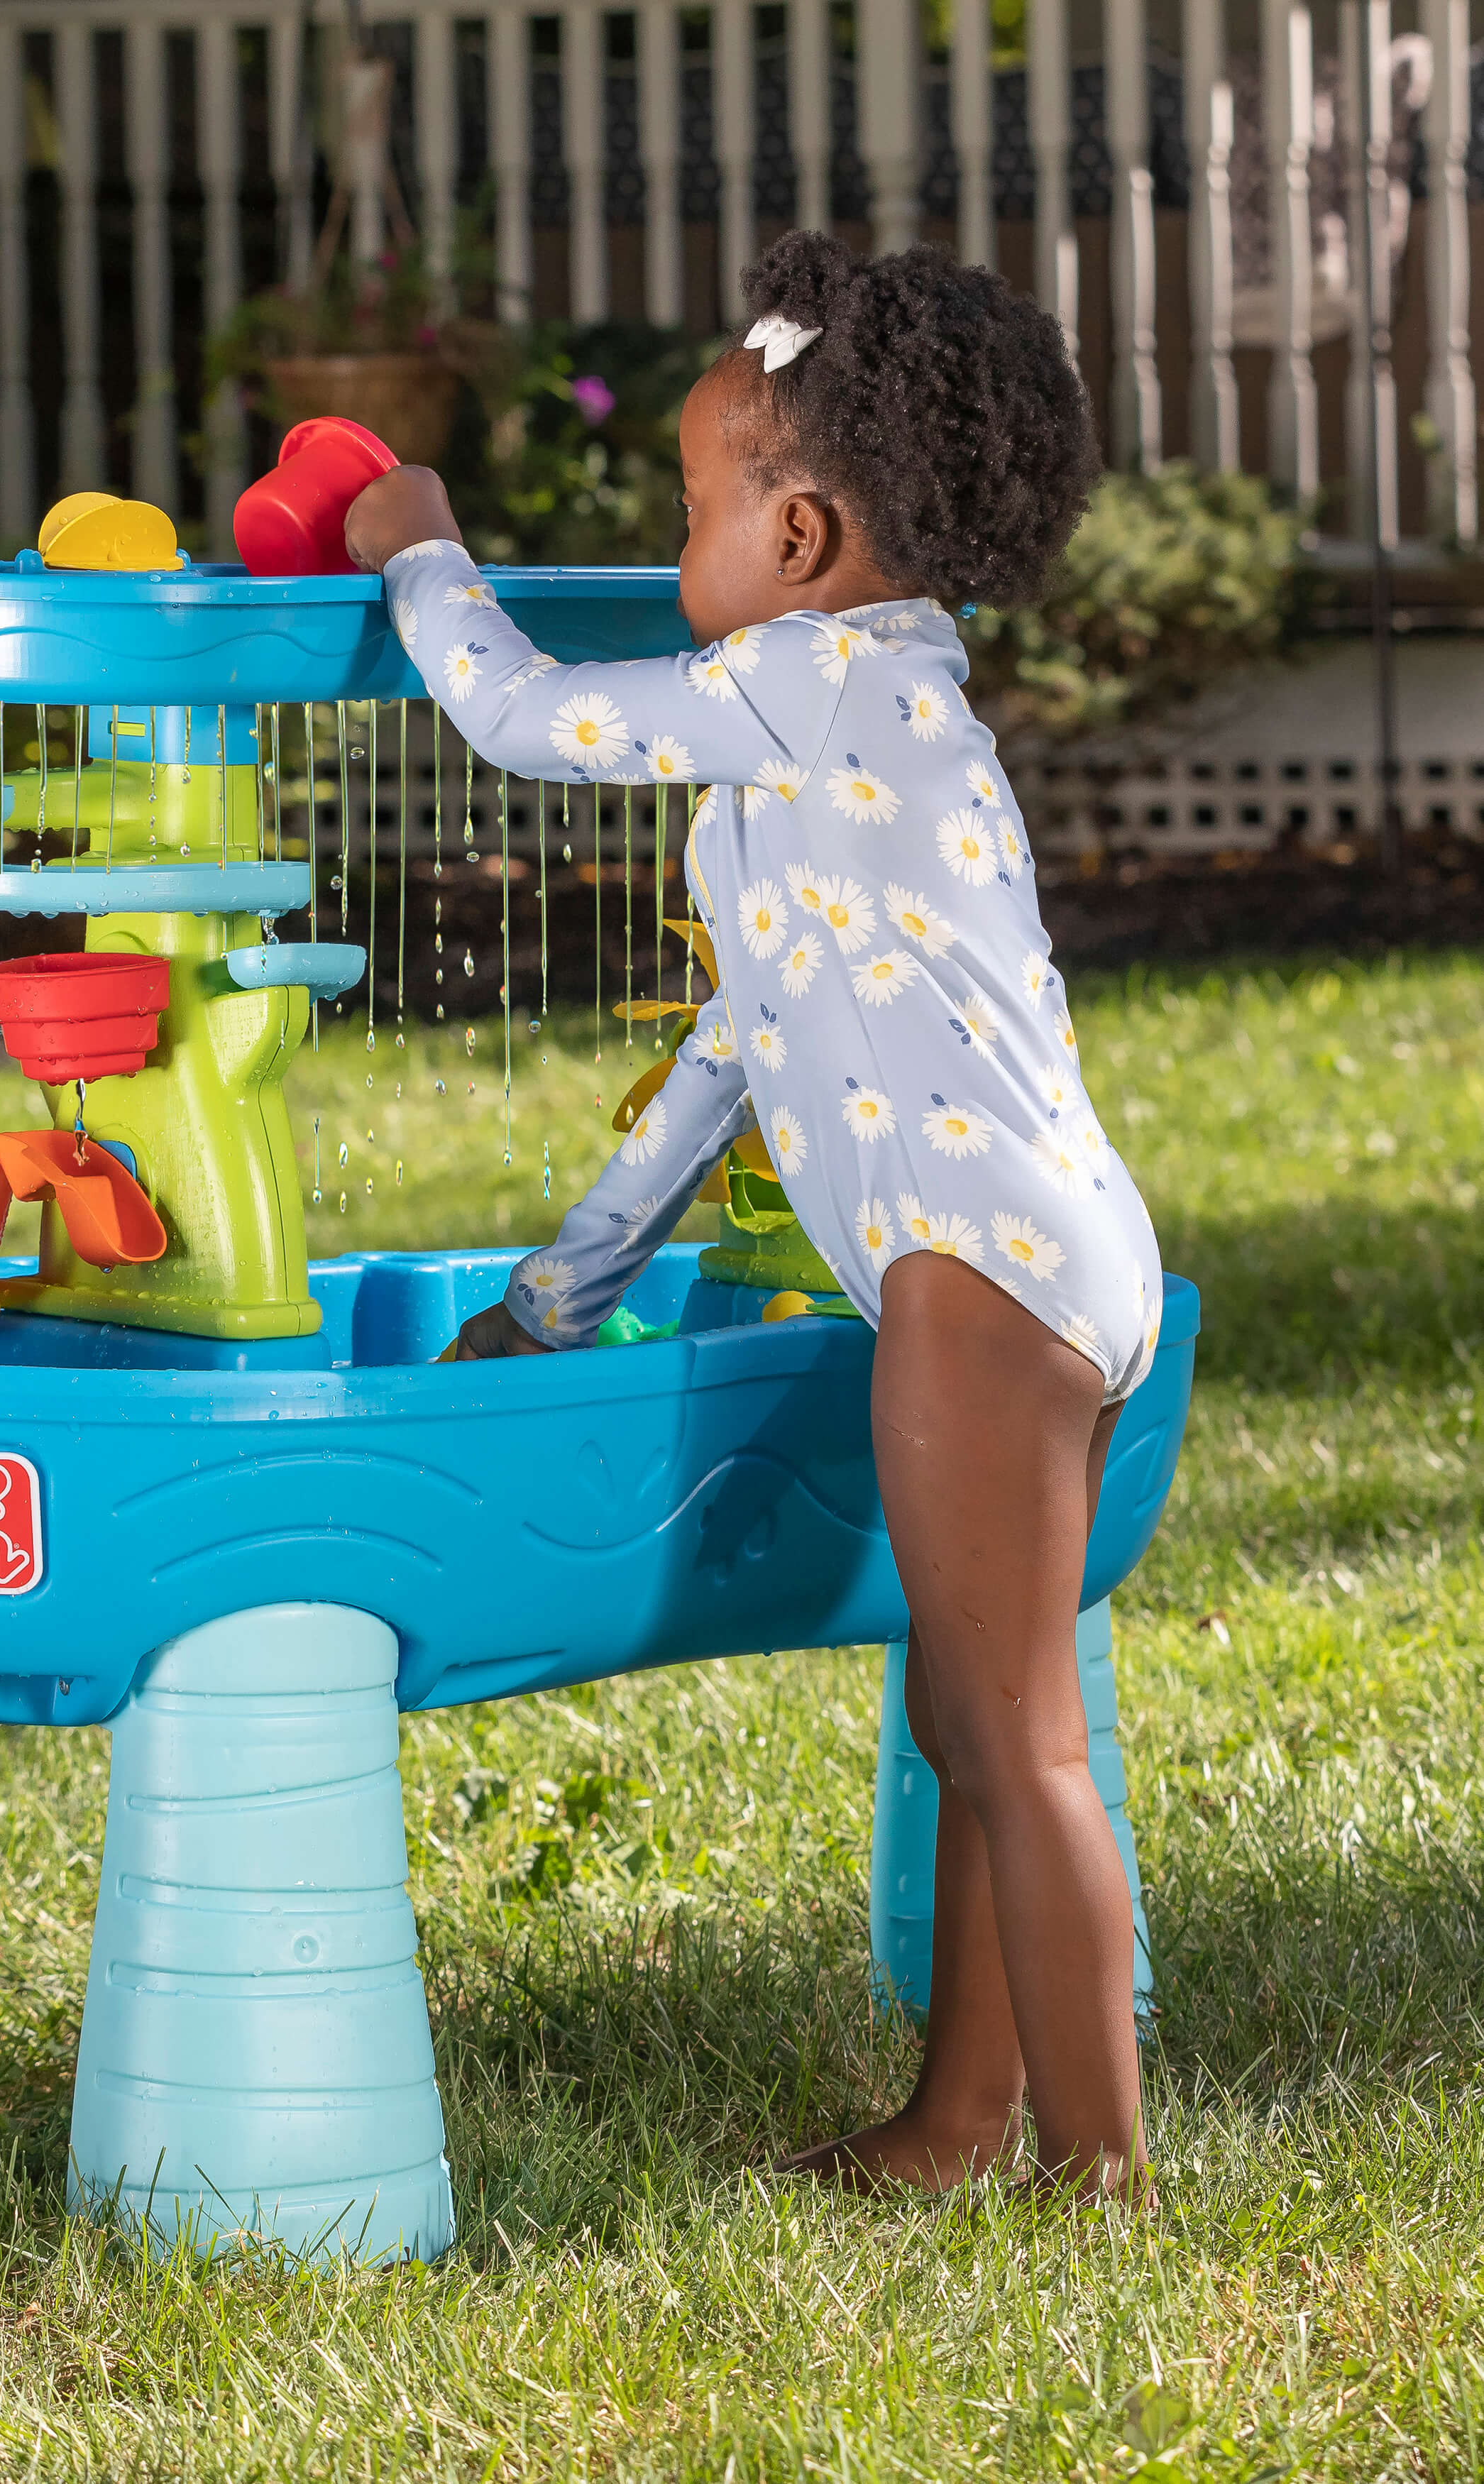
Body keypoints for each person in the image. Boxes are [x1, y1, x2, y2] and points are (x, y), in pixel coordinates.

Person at [346, 231, 1161, 2201]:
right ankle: (964, 2120)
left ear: (797, 538)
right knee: (973, 1731)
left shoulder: (806, 683)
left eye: (691, 504)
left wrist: (416, 544)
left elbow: (520, 718)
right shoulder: (861, 723)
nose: (681, 542)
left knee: (1017, 1741)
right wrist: (554, 1300)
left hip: (978, 1281)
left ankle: (1105, 2172)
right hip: (1043, 1256)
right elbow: (723, 1055)